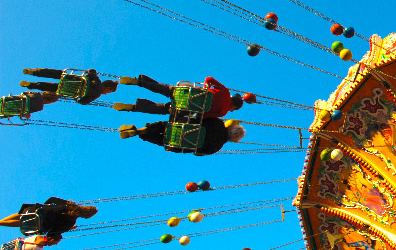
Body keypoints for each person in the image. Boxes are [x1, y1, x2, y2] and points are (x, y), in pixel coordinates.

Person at [113, 75, 243, 119]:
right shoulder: (223, 112)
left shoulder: (225, 91)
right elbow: (201, 116)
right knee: (164, 109)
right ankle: (134, 107)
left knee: (164, 88)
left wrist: (206, 88)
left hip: (188, 93)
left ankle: (140, 82)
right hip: (187, 106)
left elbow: (209, 79)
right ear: (234, 107)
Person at [118, 118, 245, 155]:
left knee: (164, 125)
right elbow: (197, 152)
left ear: (230, 128)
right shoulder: (216, 147)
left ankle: (141, 130)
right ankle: (142, 136)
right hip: (180, 143)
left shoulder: (218, 123)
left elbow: (200, 118)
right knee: (164, 142)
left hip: (182, 128)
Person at [0, 197, 97, 236]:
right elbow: (52, 233)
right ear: (86, 217)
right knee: (23, 222)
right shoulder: (70, 222)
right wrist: (70, 228)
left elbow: (52, 199)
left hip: (37, 211)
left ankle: (1, 221)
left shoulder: (69, 204)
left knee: (22, 214)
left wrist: (45, 207)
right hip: (40, 224)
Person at [19, 68, 117, 105]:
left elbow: (91, 73)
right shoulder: (96, 95)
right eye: (108, 92)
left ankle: (34, 72)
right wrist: (79, 99)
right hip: (69, 90)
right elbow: (83, 102)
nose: (106, 94)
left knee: (58, 74)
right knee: (50, 87)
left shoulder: (97, 81)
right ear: (108, 88)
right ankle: (31, 85)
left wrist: (92, 73)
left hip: (72, 80)